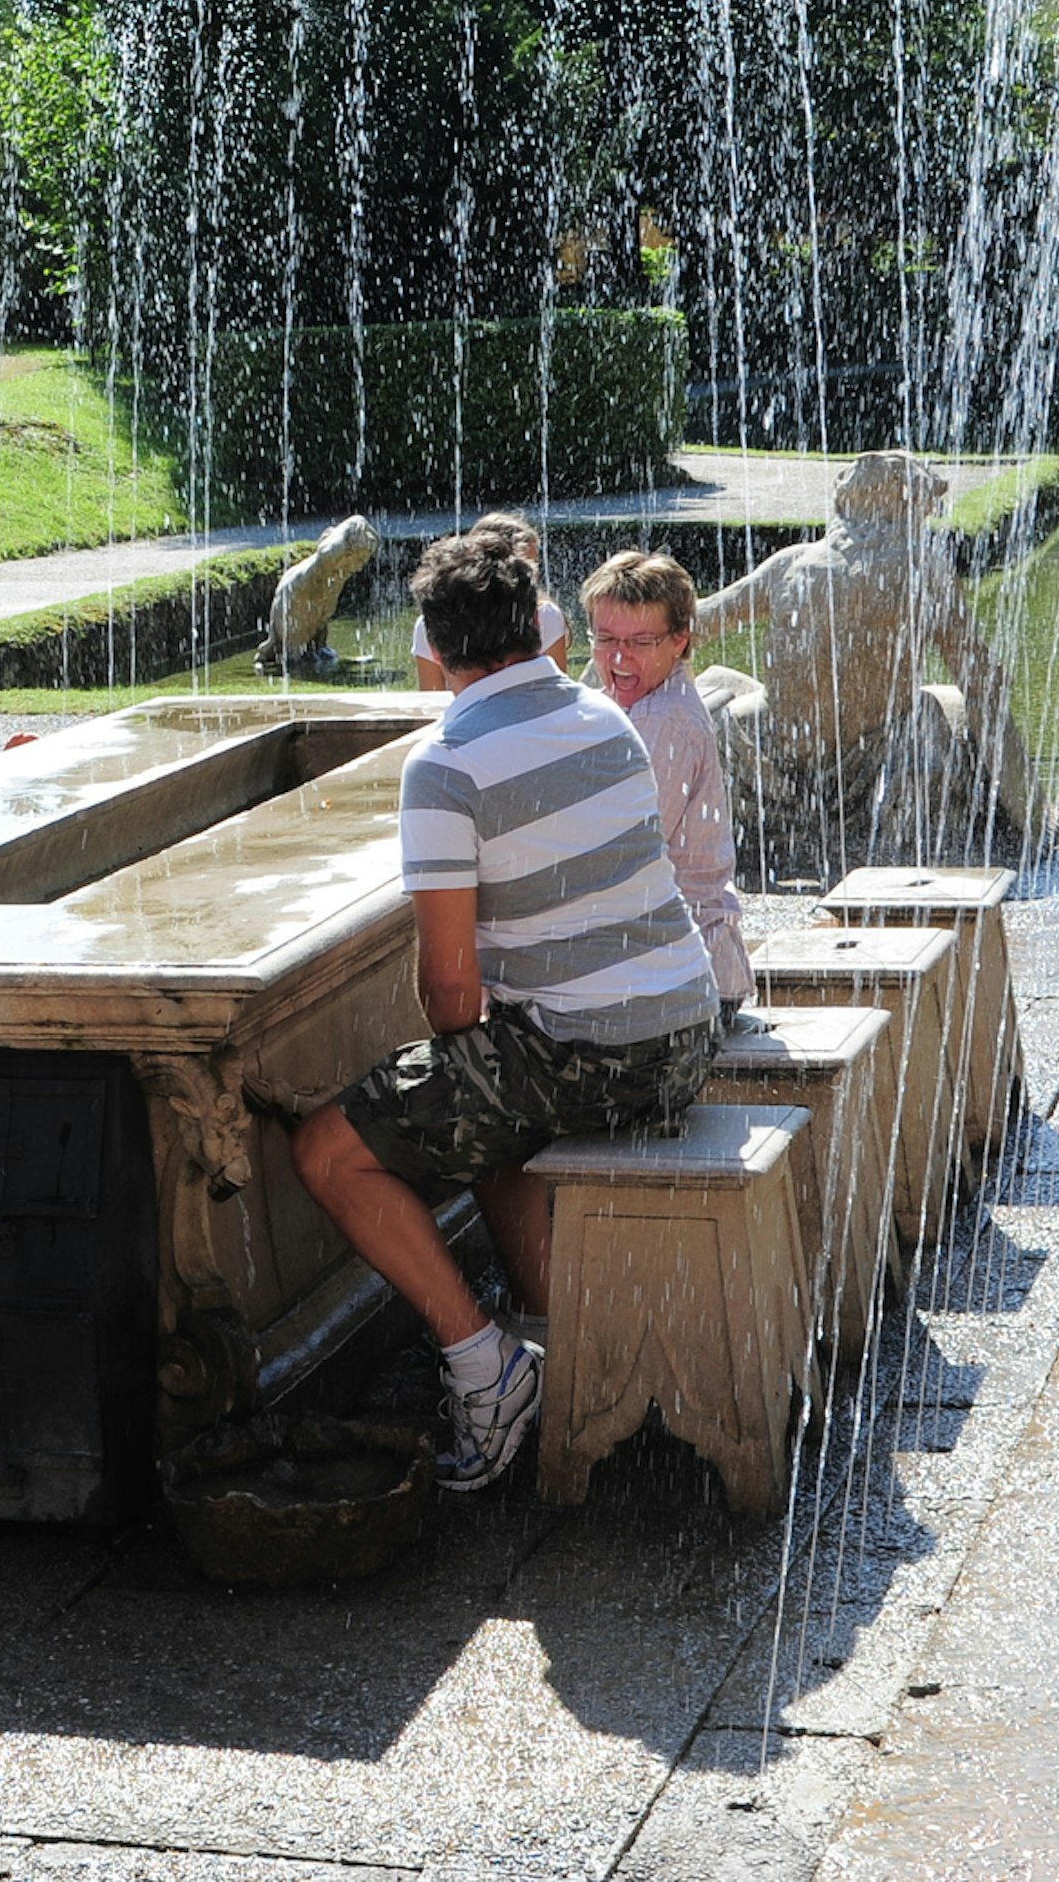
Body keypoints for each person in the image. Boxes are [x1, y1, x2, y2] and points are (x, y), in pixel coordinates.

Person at [292, 533, 728, 1493]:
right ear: (539, 625)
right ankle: (543, 1329)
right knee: (484, 1094)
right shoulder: (603, 716)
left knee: (328, 1148)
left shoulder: (444, 765)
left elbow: (450, 993)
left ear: (438, 651)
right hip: (690, 1033)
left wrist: (454, 1074)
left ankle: (483, 1370)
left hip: (600, 1060)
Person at [578, 548, 754, 1011]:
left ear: (679, 641)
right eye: (606, 637)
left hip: (686, 982)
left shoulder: (663, 721)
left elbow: (625, 851)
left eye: (640, 642)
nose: (618, 657)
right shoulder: (636, 700)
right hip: (673, 967)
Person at [409, 510, 571, 686]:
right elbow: (431, 697)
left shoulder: (546, 616)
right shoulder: (434, 626)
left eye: (534, 568)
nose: (532, 579)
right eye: (523, 568)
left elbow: (558, 691)